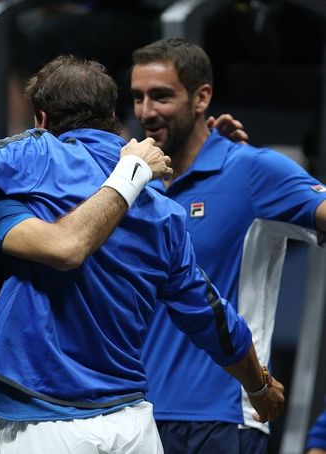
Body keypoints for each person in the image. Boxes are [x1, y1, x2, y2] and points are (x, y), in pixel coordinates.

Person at [0, 55, 285, 453]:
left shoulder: (36, 154)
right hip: (134, 426)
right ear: (115, 117)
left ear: (41, 119)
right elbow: (211, 315)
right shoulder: (164, 210)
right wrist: (259, 384)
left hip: (48, 425)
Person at [130, 37, 326, 453]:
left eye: (161, 96)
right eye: (138, 97)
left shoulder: (252, 170)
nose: (146, 112)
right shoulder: (133, 183)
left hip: (223, 419)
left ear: (202, 97)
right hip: (138, 418)